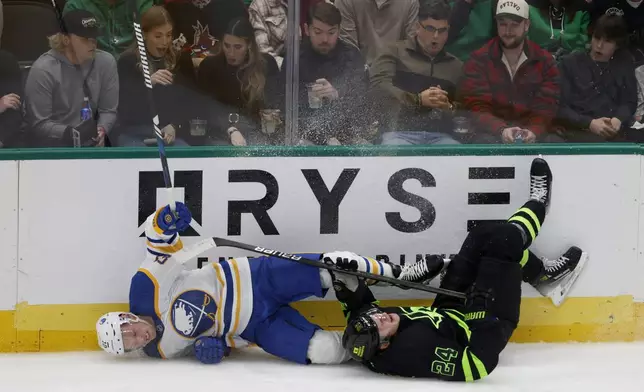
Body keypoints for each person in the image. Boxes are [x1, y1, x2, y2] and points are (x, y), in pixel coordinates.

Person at [332, 157, 588, 380]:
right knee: (505, 240)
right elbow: (476, 365)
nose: (379, 317)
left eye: (371, 319)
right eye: (378, 326)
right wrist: (481, 315)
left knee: (481, 235)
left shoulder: (367, 332)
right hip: (488, 324)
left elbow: (358, 306)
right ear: (386, 346)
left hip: (450, 312)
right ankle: (538, 204)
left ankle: (543, 276)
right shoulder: (413, 351)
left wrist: (343, 279)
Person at [95, 203, 435, 364]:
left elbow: (159, 245)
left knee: (330, 266)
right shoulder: (161, 351)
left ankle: (398, 276)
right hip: (257, 325)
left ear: (127, 318)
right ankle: (374, 343)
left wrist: (164, 221)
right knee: (322, 352)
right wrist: (215, 350)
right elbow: (214, 342)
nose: (138, 338)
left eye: (130, 332)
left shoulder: (144, 291)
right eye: (130, 345)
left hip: (255, 278)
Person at [459, 0, 561, 143]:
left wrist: (534, 131)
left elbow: (547, 106)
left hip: (533, 133)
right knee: (483, 141)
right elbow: (477, 106)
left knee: (554, 142)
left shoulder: (545, 61)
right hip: (492, 133)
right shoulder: (478, 59)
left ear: (527, 25)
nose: (508, 31)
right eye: (503, 24)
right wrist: (501, 129)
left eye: (514, 24)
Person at [369, 0, 463, 145]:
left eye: (442, 30)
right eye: (430, 29)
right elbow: (378, 88)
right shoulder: (393, 52)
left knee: (454, 151)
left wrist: (448, 107)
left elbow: (467, 108)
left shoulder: (456, 66)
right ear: (417, 27)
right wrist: (418, 100)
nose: (436, 36)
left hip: (441, 136)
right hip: (397, 134)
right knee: (397, 147)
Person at [24, 9, 118, 147]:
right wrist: (71, 133)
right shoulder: (43, 69)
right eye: (85, 39)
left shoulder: (106, 62)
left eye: (94, 37)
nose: (93, 43)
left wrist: (101, 130)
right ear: (66, 39)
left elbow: (108, 110)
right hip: (54, 146)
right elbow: (39, 123)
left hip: (92, 144)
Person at [116, 5, 199, 147]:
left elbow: (190, 102)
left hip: (169, 133)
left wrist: (175, 125)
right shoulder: (127, 61)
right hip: (134, 133)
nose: (165, 42)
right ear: (144, 34)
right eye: (158, 36)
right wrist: (147, 84)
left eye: (169, 35)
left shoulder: (179, 60)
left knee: (186, 155)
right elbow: (123, 108)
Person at [288, 2, 369, 145]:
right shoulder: (294, 58)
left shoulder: (352, 56)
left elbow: (362, 101)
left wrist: (337, 95)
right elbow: (280, 100)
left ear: (339, 30)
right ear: (307, 29)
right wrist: (306, 95)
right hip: (305, 134)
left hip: (346, 134)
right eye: (318, 32)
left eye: (331, 32)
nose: (325, 39)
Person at [197, 17, 281, 145]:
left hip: (257, 132)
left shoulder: (267, 64)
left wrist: (273, 114)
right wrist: (230, 129)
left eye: (237, 47)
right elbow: (206, 108)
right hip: (220, 133)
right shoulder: (210, 67)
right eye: (227, 45)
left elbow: (276, 100)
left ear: (249, 45)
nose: (231, 53)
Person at [555, 13, 638, 142]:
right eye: (597, 38)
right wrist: (589, 123)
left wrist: (618, 119)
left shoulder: (624, 64)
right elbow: (559, 107)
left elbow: (630, 101)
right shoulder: (570, 63)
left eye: (607, 41)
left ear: (617, 44)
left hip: (613, 134)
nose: (599, 45)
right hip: (576, 133)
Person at [63, 0, 154, 58]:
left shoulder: (141, 3)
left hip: (137, 70)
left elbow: (155, 37)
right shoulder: (75, 6)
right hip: (96, 75)